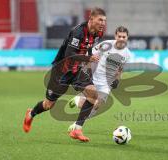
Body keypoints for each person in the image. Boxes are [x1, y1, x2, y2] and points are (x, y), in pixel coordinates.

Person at [23, 8, 107, 139]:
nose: (103, 23)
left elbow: (88, 47)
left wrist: (88, 61)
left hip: (77, 70)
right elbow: (69, 55)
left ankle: (77, 130)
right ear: (91, 19)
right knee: (48, 105)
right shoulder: (78, 32)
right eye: (100, 20)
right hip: (61, 71)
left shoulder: (98, 33)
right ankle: (31, 114)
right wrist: (88, 58)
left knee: (92, 93)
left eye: (104, 20)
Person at [68, 26, 131, 142]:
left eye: (124, 36)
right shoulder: (106, 45)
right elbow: (91, 54)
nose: (121, 38)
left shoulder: (127, 54)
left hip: (106, 83)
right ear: (115, 36)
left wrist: (117, 79)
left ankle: (77, 116)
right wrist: (86, 69)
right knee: (88, 103)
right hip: (94, 77)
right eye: (119, 36)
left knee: (97, 105)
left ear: (127, 37)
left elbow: (120, 69)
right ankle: (77, 111)